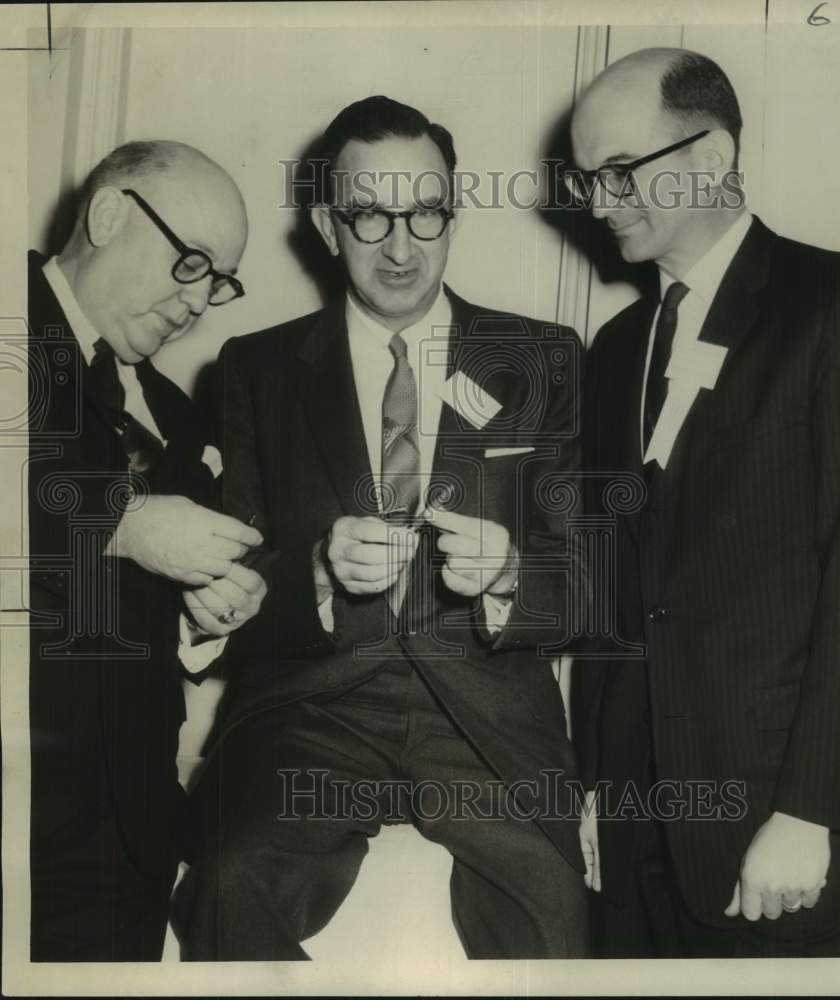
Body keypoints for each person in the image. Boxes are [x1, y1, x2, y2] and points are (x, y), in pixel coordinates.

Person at [171, 96, 590, 960]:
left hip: (487, 719)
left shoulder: (544, 360)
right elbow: (230, 592)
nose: (401, 247)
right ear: (328, 224)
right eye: (368, 215)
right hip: (310, 712)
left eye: (425, 212)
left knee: (556, 918)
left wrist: (511, 574)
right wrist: (317, 573)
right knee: (224, 891)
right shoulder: (254, 369)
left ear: (452, 211)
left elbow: (589, 578)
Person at [569, 48, 840, 957]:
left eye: (618, 173)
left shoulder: (839, 303)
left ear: (712, 156)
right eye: (587, 180)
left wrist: (813, 808)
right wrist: (591, 786)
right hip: (630, 830)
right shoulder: (612, 349)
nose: (600, 204)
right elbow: (614, 588)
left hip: (774, 830)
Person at [28, 140, 269, 961]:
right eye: (191, 263)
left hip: (129, 837)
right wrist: (124, 522)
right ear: (108, 215)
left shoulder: (175, 410)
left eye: (218, 281)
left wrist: (204, 613)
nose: (199, 303)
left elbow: (152, 608)